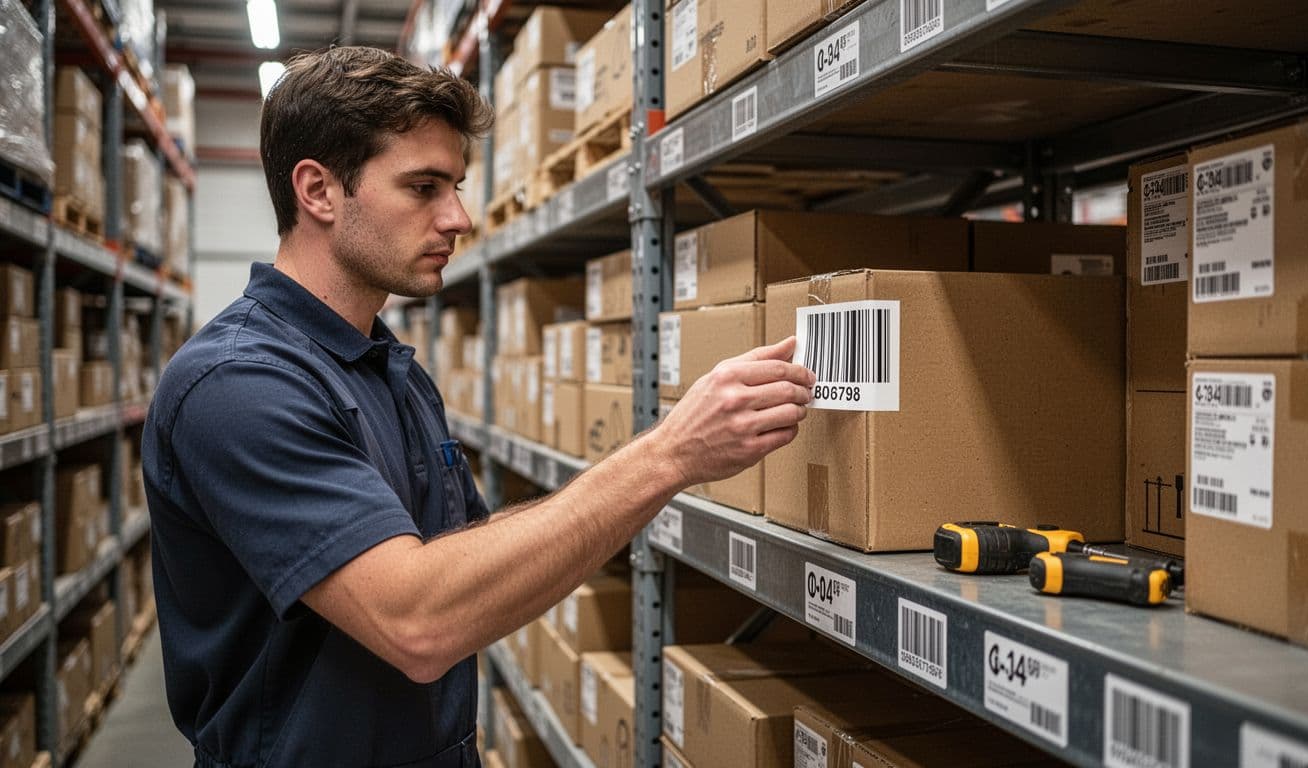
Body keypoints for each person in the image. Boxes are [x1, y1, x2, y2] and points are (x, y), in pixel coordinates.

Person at [143, 46, 814, 768]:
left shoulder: (387, 367)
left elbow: (459, 554)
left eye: (456, 185)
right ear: (319, 191)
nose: (459, 217)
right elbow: (419, 619)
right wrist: (668, 453)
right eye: (424, 187)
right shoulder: (239, 386)